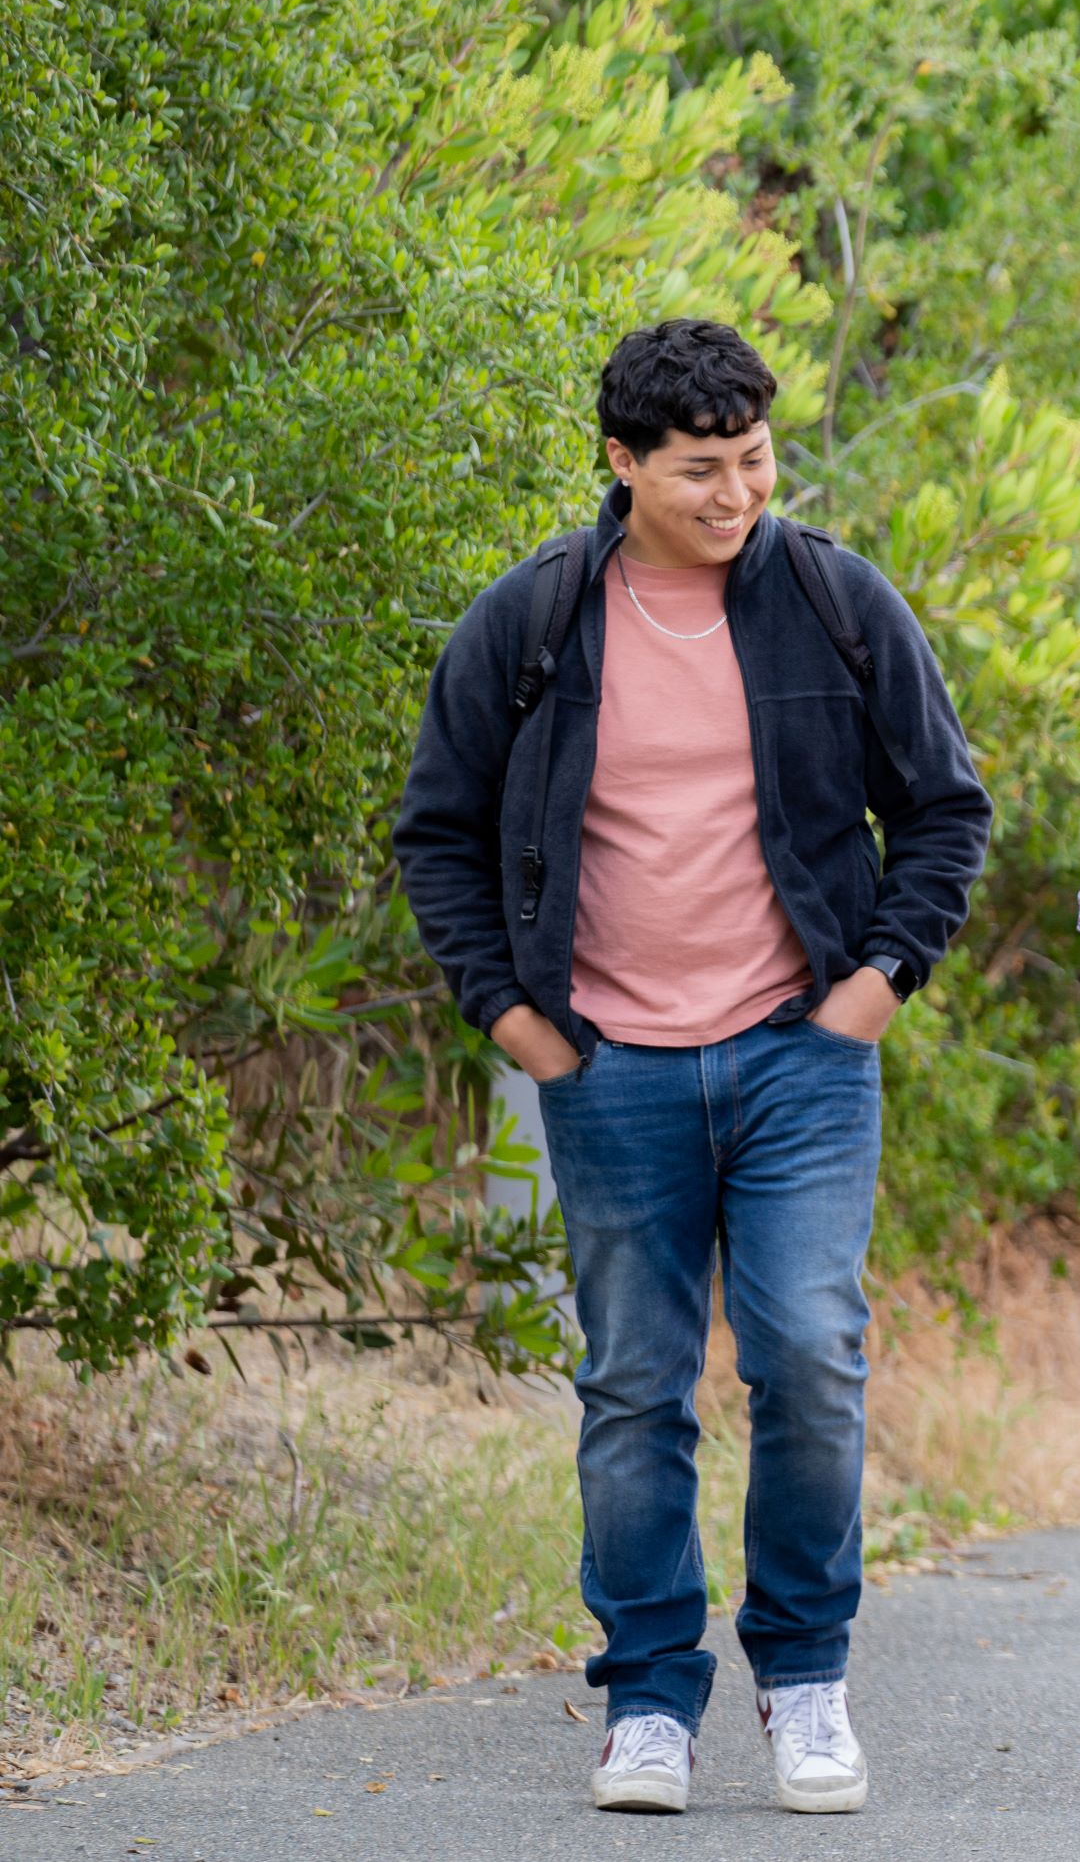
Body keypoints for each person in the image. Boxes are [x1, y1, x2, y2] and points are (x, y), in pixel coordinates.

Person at [394, 319, 992, 1817]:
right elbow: (438, 831)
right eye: (700, 470)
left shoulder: (834, 600)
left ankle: (805, 1680)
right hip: (608, 1065)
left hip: (801, 1050)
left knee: (807, 1354)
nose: (736, 494)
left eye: (755, 461)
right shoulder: (533, 621)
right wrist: (516, 1023)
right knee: (635, 1385)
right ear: (621, 464)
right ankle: (649, 1698)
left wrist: (871, 989)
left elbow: (945, 811)